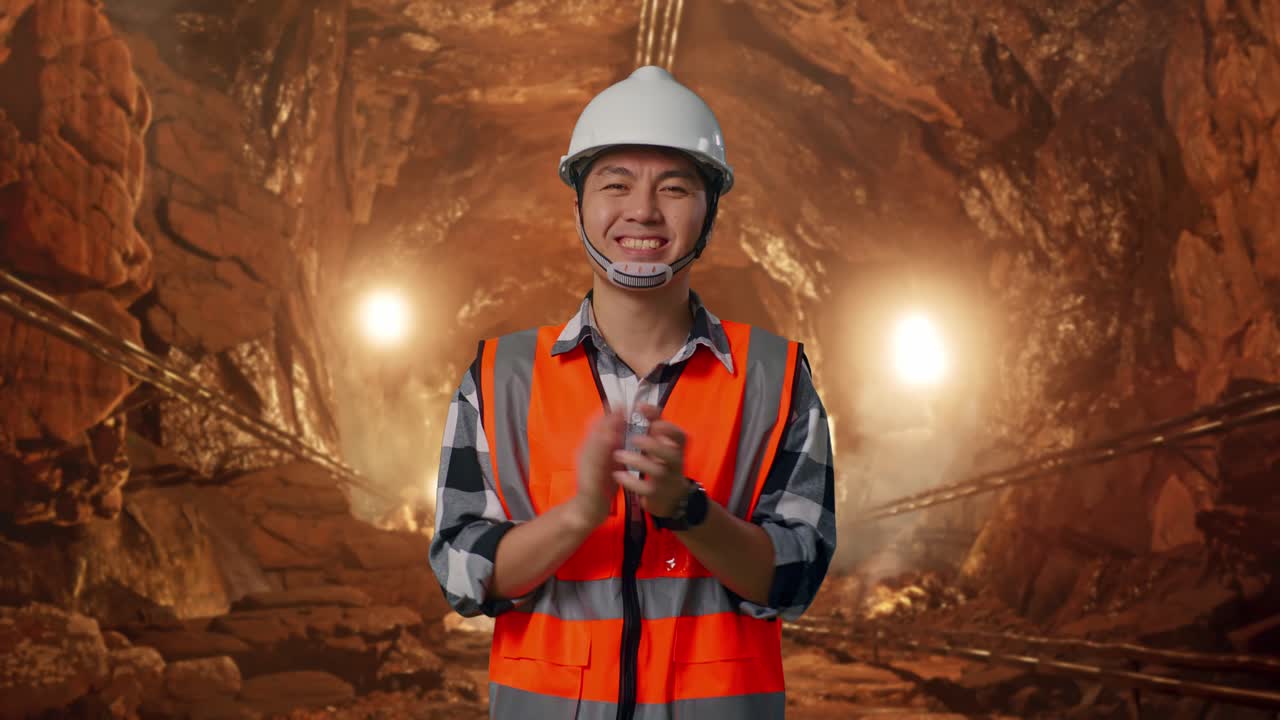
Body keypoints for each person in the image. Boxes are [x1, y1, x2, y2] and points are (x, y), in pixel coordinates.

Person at [429, 66, 837, 720]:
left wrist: (686, 509)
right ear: (579, 205)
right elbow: (460, 572)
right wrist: (578, 514)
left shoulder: (775, 376)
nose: (643, 211)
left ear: (710, 210)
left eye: (674, 188)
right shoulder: (499, 375)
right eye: (615, 184)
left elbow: (796, 577)